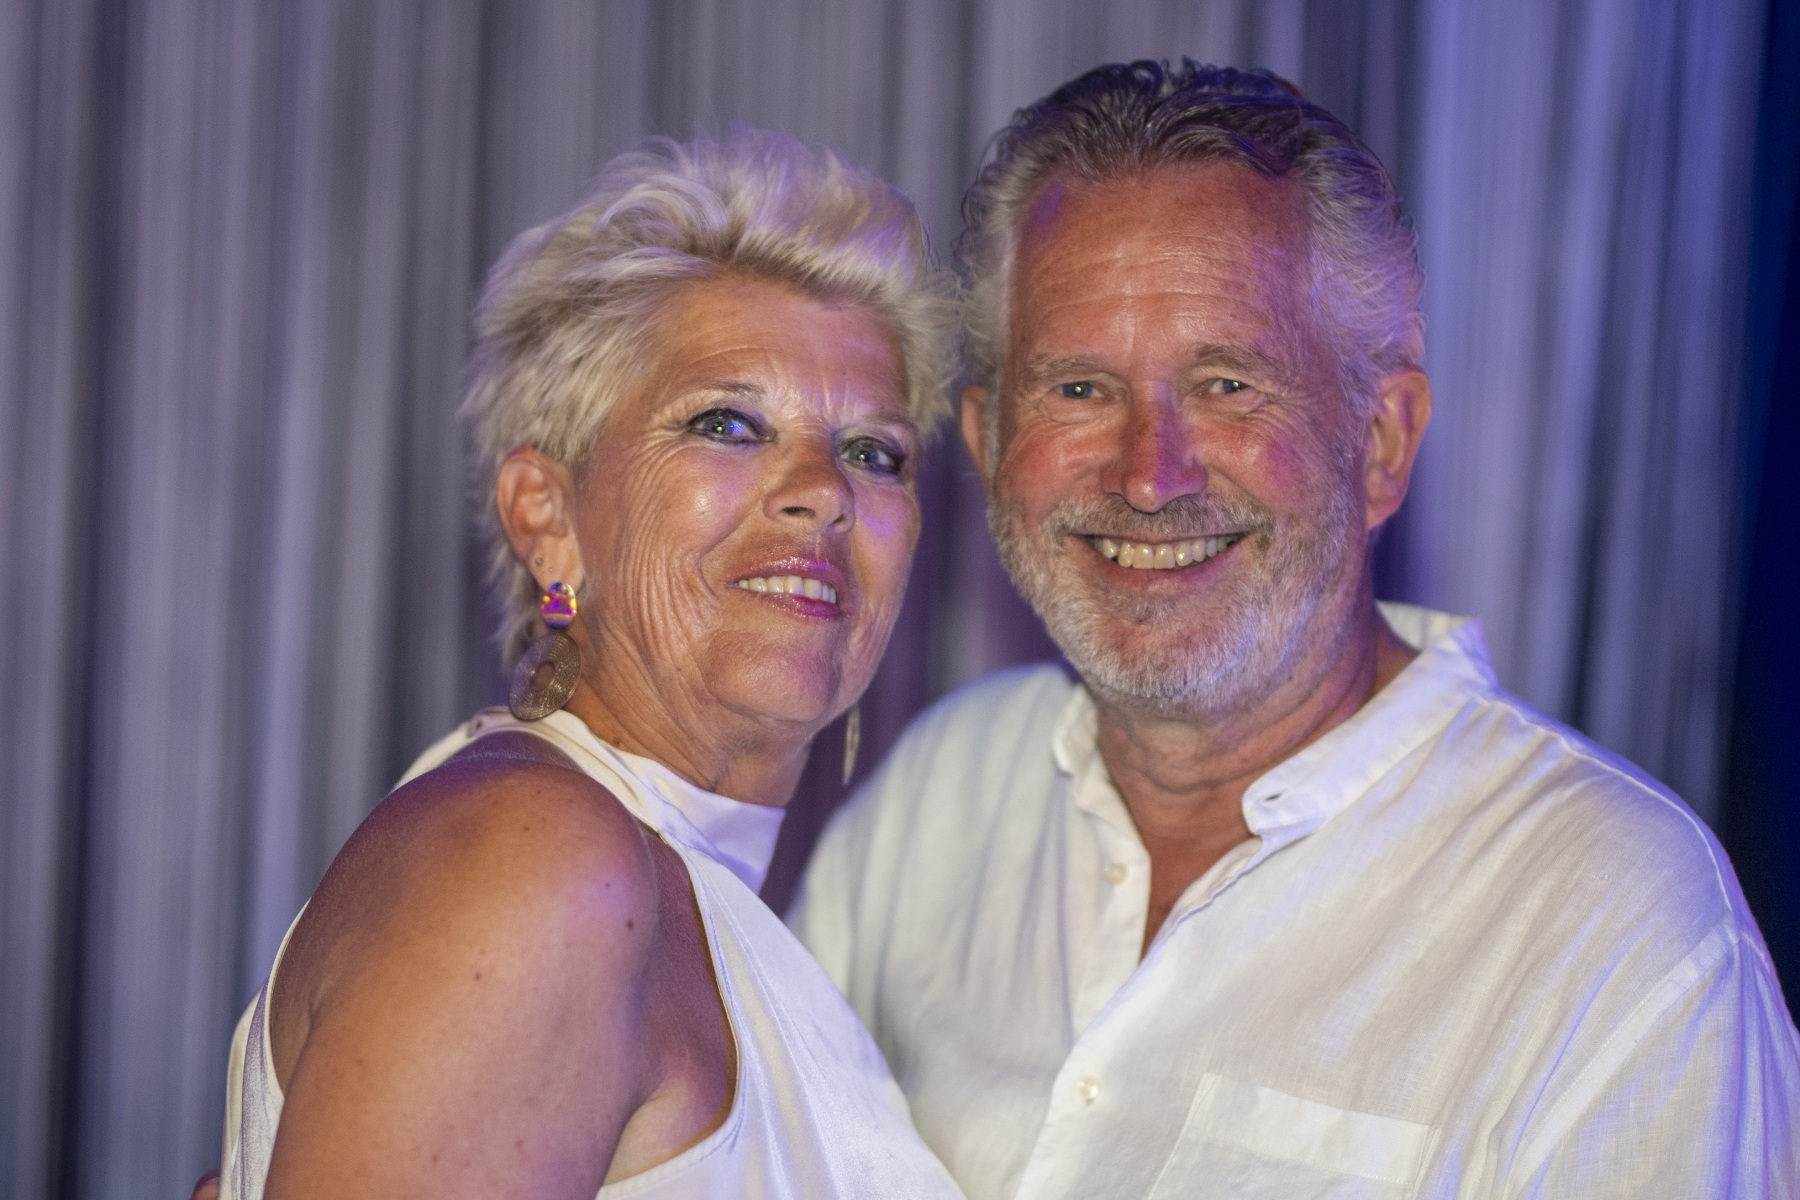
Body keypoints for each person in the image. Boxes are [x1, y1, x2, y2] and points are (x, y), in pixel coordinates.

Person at [791, 61, 1800, 1198]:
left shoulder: (1617, 924)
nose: (1150, 475)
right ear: (984, 443)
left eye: (1228, 384)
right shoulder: (939, 793)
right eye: (1078, 389)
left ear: (1383, 442)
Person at [212, 128, 965, 1199]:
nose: (824, 491)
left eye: (873, 452)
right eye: (727, 423)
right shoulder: (537, 861)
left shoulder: (672, 891)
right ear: (548, 517)